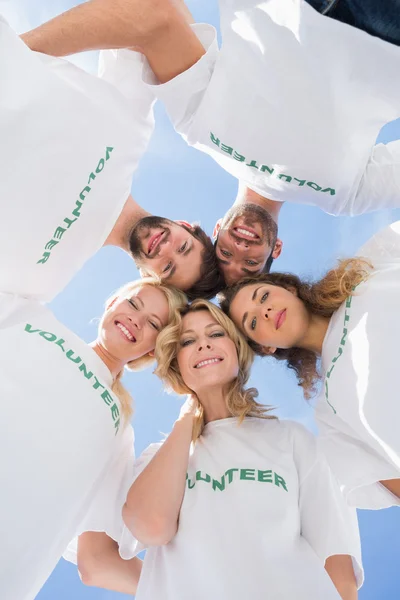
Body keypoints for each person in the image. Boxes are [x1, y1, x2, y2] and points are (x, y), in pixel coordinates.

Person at [22, 0, 400, 285]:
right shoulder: (345, 196)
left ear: (215, 228)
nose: (240, 249)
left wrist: (15, 60)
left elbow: (156, 20)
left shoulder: (196, 128)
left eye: (224, 253)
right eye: (250, 262)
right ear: (276, 249)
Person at [83, 300, 364, 600]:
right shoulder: (158, 458)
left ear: (237, 349)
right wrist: (188, 418)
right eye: (188, 341)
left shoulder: (292, 439)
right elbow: (151, 526)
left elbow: (338, 568)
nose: (203, 345)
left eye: (216, 334)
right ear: (176, 365)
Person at [0, 15, 222, 301]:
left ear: (148, 279)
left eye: (168, 268)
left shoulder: (41, 278)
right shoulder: (132, 128)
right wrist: (15, 55)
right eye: (183, 248)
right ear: (187, 226)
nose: (165, 249)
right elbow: (146, 15)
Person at [0, 277, 186, 600]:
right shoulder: (34, 320)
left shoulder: (118, 429)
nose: (135, 320)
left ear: (153, 350)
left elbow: (96, 561)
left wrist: (192, 590)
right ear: (113, 301)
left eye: (153, 323)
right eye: (133, 304)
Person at [220, 220, 400, 510]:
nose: (264, 311)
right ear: (266, 346)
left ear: (289, 288)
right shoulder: (330, 415)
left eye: (263, 296)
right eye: (252, 322)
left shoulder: (370, 267)